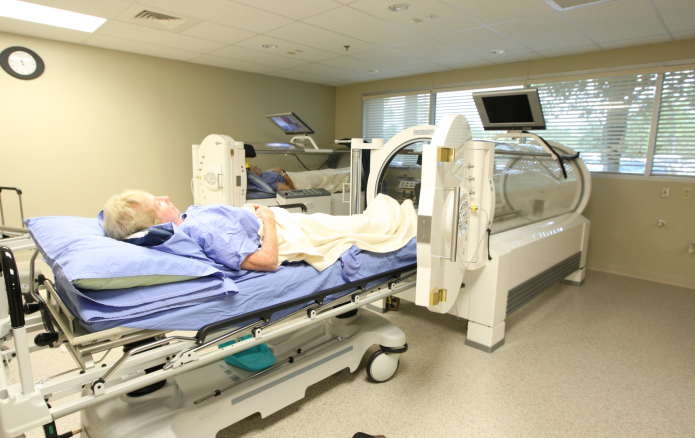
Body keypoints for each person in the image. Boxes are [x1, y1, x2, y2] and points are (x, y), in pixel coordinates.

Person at [102, 190, 279, 271]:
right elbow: (267, 262)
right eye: (159, 204)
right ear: (156, 224)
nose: (166, 197)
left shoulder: (187, 219)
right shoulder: (204, 231)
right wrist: (269, 219)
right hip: (277, 226)